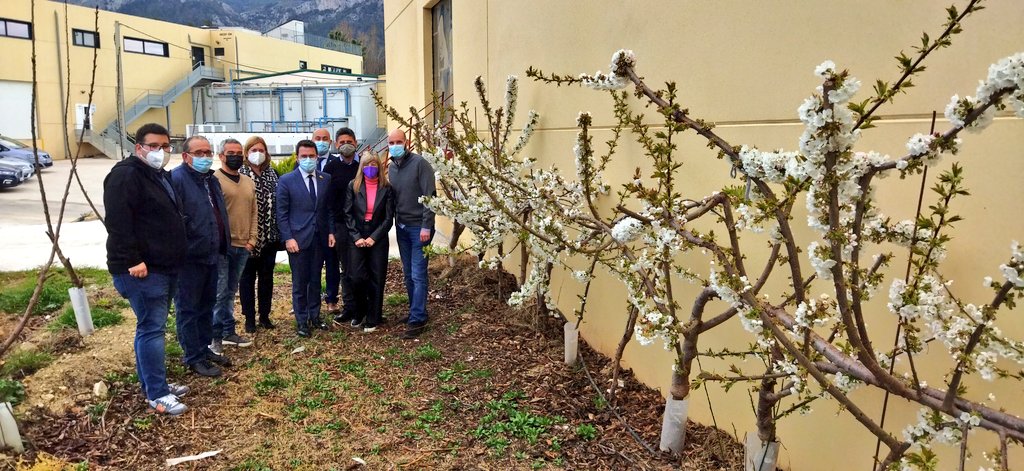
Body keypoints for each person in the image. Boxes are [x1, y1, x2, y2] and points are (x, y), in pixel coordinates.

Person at [104, 123, 190, 415]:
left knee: (152, 328)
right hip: (143, 269)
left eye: (166, 146)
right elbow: (118, 223)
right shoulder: (125, 176)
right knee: (152, 329)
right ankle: (157, 394)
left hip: (165, 265)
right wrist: (133, 260)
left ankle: (154, 383)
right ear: (138, 147)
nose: (161, 152)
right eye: (154, 146)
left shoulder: (157, 175)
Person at [171, 135, 232, 377]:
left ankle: (204, 348)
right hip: (190, 257)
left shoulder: (210, 179)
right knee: (188, 307)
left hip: (212, 252)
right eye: (199, 153)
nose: (204, 157)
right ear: (186, 156)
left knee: (207, 304)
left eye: (207, 152)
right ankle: (193, 356)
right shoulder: (177, 179)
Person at [277, 139, 335, 337]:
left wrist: (331, 232)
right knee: (300, 282)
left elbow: (328, 209)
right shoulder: (286, 181)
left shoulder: (324, 178)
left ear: (316, 157)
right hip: (298, 240)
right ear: (297, 157)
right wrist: (288, 238)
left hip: (319, 238)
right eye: (304, 156)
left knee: (316, 279)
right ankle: (302, 321)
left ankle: (315, 316)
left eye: (311, 156)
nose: (308, 159)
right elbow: (282, 213)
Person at [386, 129, 437, 339]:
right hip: (403, 227)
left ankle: (418, 318)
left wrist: (427, 225)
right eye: (392, 142)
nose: (395, 145)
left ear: (406, 142)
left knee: (418, 273)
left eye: (399, 141)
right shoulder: (392, 167)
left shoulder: (420, 164)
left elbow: (430, 196)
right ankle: (415, 310)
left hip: (420, 229)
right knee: (408, 274)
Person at [210, 138, 256, 353]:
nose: (236, 156)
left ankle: (228, 331)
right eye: (231, 152)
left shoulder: (248, 181)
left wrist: (252, 240)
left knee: (230, 291)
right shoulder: (213, 181)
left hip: (243, 245)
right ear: (221, 156)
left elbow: (253, 212)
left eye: (239, 152)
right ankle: (214, 337)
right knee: (219, 293)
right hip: (223, 247)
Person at [341, 151, 394, 332]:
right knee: (355, 276)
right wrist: (357, 237)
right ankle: (359, 311)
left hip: (377, 235)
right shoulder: (353, 186)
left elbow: (388, 218)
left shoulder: (386, 187)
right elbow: (347, 213)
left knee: (377, 277)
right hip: (357, 234)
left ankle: (374, 316)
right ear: (361, 167)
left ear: (379, 166)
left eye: (373, 165)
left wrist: (373, 238)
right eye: (366, 165)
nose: (370, 168)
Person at [238, 136, 280, 332]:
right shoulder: (240, 174)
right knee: (246, 279)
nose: (258, 154)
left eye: (261, 150)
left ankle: (264, 315)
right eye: (253, 150)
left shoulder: (273, 173)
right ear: (246, 153)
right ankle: (249, 318)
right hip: (247, 238)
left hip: (270, 237)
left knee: (266, 278)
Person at [324, 128, 361, 324]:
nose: (345, 144)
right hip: (340, 225)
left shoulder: (363, 165)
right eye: (341, 142)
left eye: (349, 140)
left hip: (362, 225)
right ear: (336, 145)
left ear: (355, 142)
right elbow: (328, 202)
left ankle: (363, 307)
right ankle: (349, 307)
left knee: (360, 269)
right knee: (346, 269)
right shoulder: (330, 168)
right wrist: (331, 229)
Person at [312, 128, 343, 313]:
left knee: (332, 264)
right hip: (310, 225)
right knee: (312, 267)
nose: (321, 141)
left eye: (325, 139)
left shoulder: (335, 162)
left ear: (330, 142)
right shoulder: (303, 160)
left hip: (331, 222)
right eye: (318, 138)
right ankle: (311, 300)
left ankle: (332, 300)